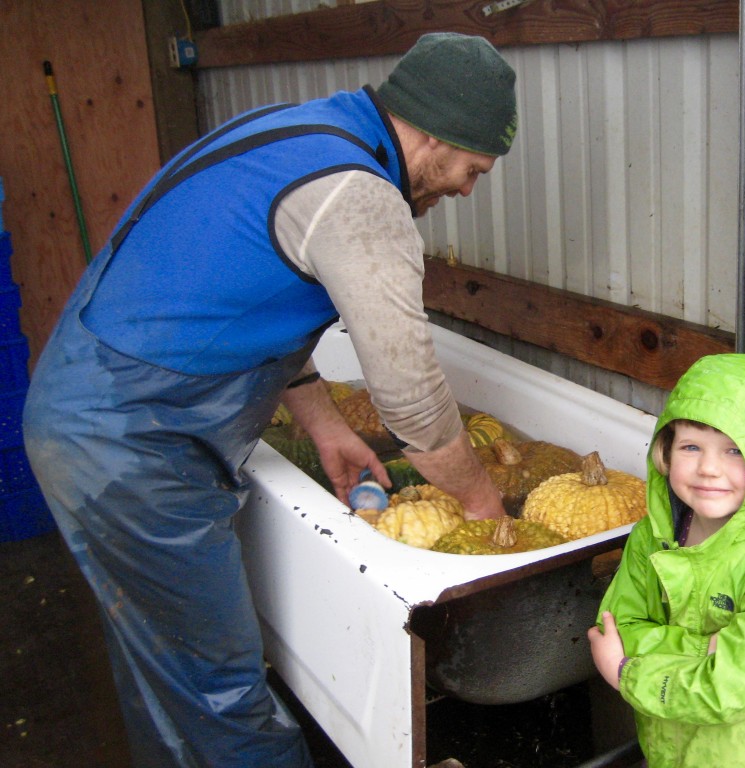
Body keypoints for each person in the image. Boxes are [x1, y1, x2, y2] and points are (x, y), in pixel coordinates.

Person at [22, 32, 515, 768]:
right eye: (472, 168)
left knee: (166, 670)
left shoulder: (300, 130)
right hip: (130, 441)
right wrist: (482, 505)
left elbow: (245, 297)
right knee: (222, 692)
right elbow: (412, 402)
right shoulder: (361, 197)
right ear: (436, 132)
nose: (467, 189)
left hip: (92, 407)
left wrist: (321, 425)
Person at [588, 353, 745, 767]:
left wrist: (627, 673)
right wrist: (706, 648)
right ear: (665, 450)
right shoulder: (652, 537)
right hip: (672, 748)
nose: (708, 469)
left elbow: (728, 689)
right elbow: (618, 627)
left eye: (734, 451)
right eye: (691, 446)